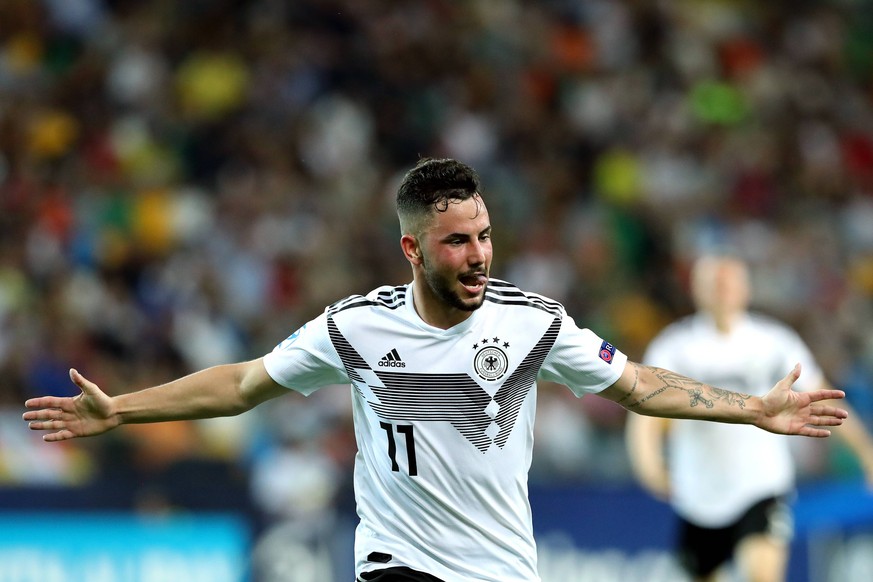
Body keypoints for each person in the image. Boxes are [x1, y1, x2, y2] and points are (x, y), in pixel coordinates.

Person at [23, 158, 849, 582]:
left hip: (502, 567)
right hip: (399, 566)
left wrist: (750, 409)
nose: (478, 254)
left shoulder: (533, 323)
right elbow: (241, 386)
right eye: (458, 241)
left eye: (484, 234)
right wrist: (122, 410)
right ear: (413, 248)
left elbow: (638, 384)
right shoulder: (353, 327)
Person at [625, 254, 873, 582]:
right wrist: (649, 464)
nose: (722, 289)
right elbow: (647, 413)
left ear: (746, 289)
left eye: (729, 282)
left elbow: (823, 397)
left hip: (762, 486)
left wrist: (866, 451)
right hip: (698, 493)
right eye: (714, 282)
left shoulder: (775, 343)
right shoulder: (675, 348)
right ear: (696, 289)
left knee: (761, 576)